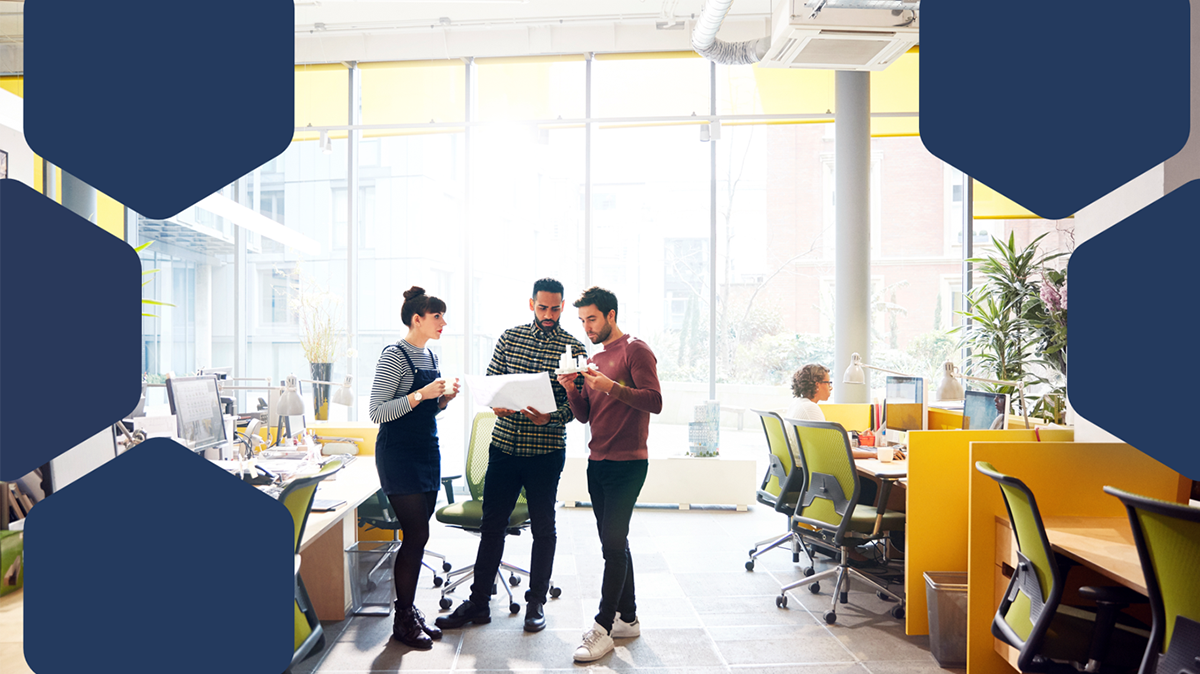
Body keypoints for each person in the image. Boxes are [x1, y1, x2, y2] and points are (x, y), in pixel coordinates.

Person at [436, 278, 587, 634]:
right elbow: (492, 384)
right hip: (504, 446)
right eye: (542, 308)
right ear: (531, 304)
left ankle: (536, 603)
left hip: (545, 452)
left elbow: (579, 406)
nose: (548, 315)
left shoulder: (573, 347)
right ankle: (478, 603)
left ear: (563, 306)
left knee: (544, 528)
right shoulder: (509, 338)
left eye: (555, 308)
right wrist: (497, 404)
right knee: (492, 526)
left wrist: (552, 416)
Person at [557, 287, 662, 663]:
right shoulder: (595, 356)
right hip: (597, 461)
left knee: (613, 546)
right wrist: (574, 390)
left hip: (628, 463)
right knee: (612, 543)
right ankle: (628, 618)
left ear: (611, 315)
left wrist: (611, 386)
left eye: (592, 319)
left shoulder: (636, 349)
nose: (586, 327)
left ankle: (602, 628)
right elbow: (586, 415)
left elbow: (655, 400)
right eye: (582, 320)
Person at [368, 286, 461, 649]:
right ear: (417, 319)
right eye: (437, 316)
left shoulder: (430, 357)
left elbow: (425, 411)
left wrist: (442, 400)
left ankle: (409, 611)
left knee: (419, 537)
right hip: (399, 455)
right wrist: (422, 393)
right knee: (416, 536)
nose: (444, 323)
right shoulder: (394, 356)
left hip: (427, 451)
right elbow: (378, 412)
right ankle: (403, 619)